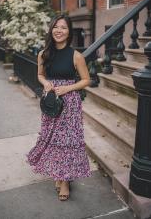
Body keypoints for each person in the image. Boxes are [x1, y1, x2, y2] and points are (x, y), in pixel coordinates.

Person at [27, 14, 91, 201]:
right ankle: (59, 173)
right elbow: (40, 75)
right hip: (51, 103)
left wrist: (68, 88)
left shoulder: (76, 56)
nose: (59, 30)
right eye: (56, 27)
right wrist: (46, 83)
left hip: (70, 104)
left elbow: (86, 80)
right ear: (51, 29)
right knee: (53, 140)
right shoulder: (43, 54)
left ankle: (64, 181)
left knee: (67, 142)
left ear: (69, 32)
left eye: (63, 27)